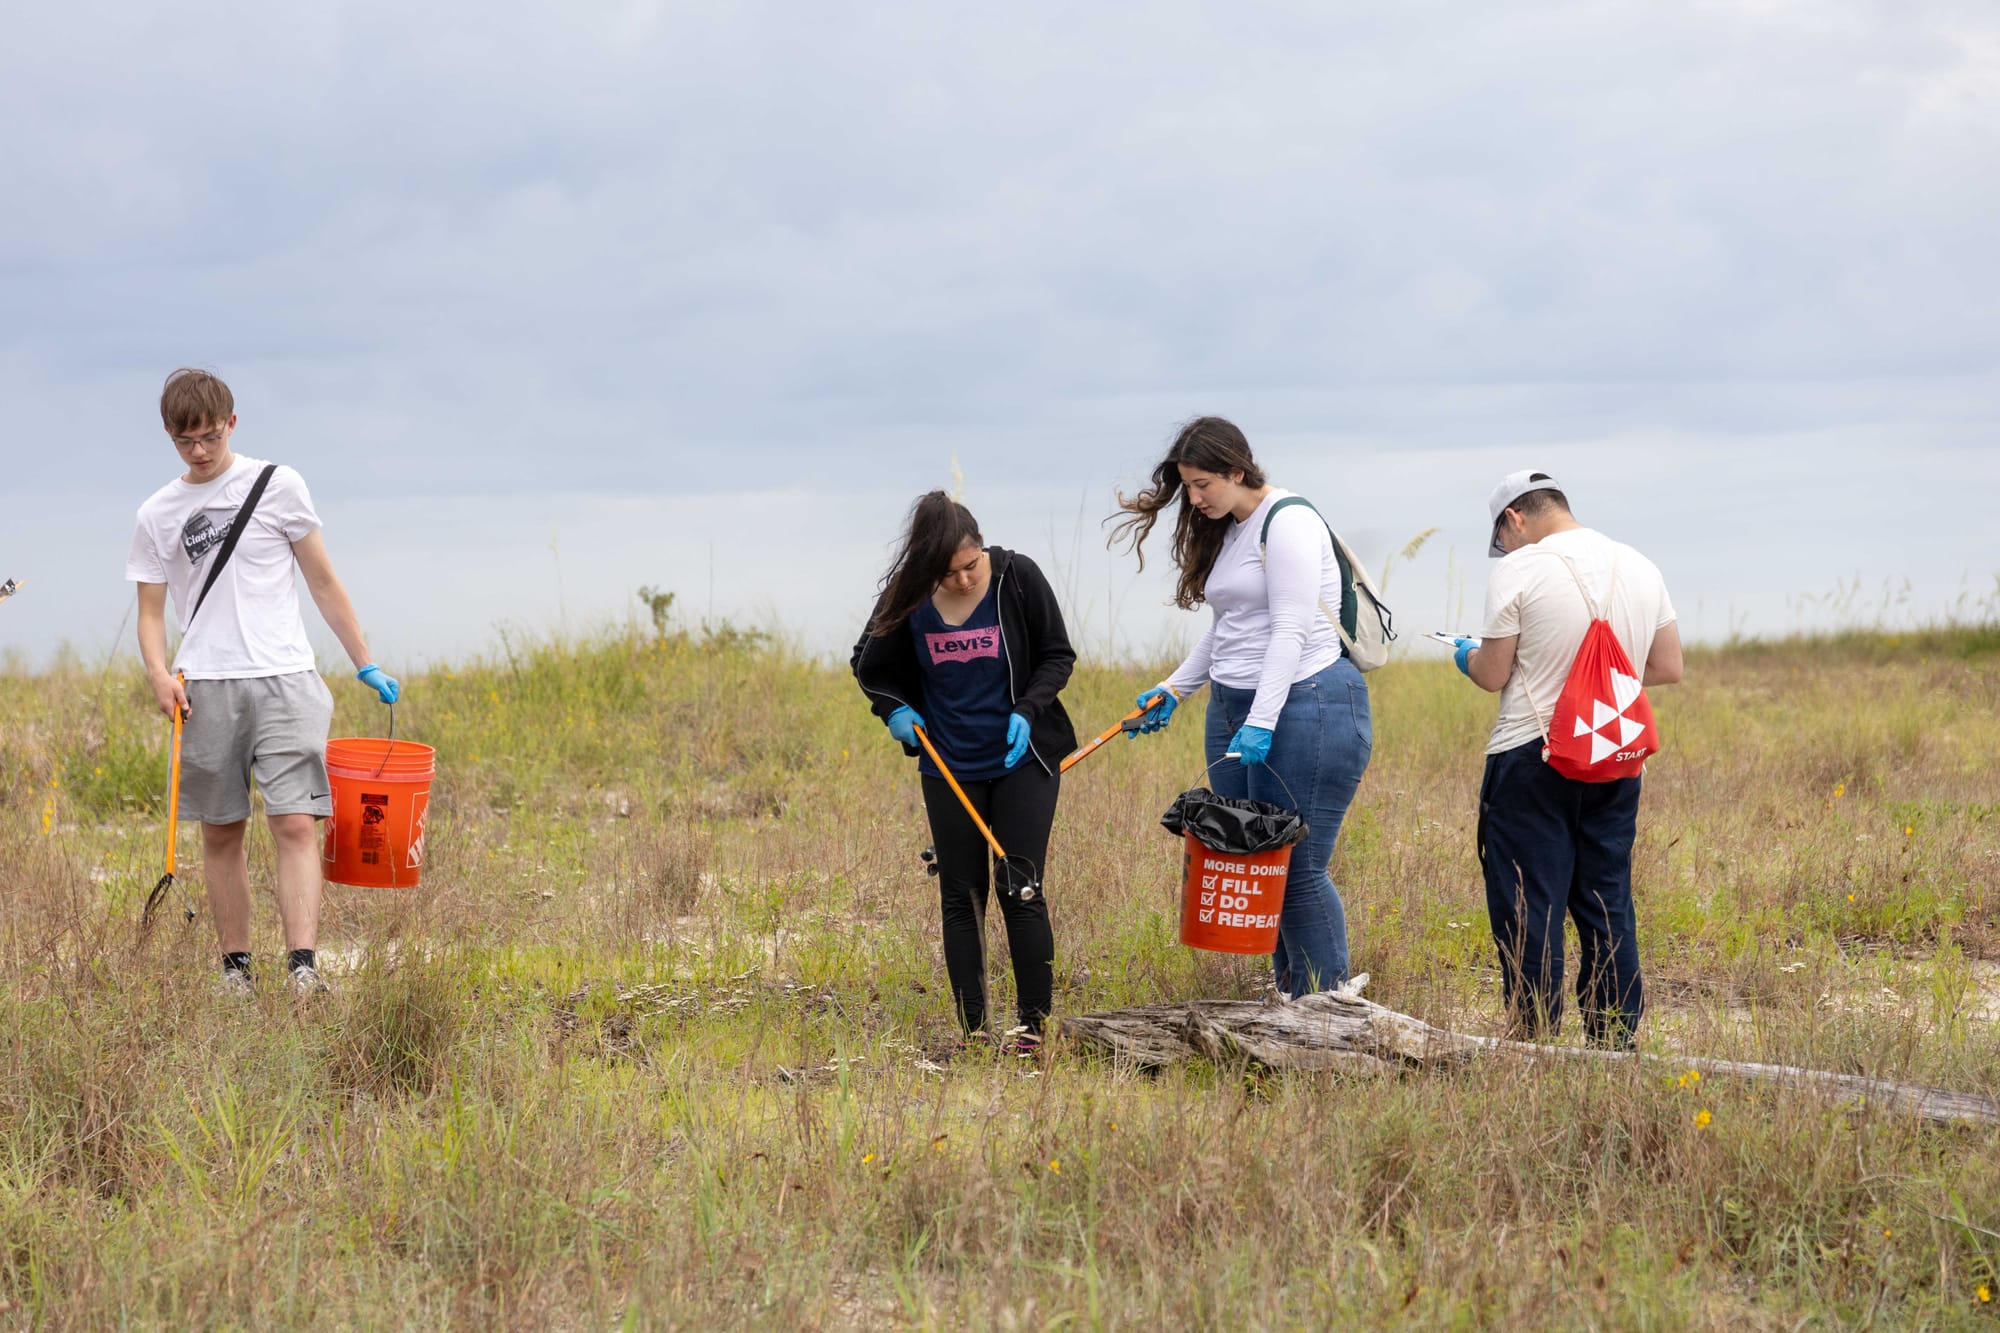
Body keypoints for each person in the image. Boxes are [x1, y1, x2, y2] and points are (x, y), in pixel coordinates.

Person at [126, 369, 400, 997]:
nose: (200, 451)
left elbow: (323, 580)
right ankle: (235, 972)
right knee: (222, 830)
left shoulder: (278, 485)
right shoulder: (157, 513)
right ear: (169, 435)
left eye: (210, 437)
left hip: (285, 677)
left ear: (232, 423)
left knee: (296, 822)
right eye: (185, 440)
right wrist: (158, 674)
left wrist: (363, 660)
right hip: (206, 686)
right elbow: (149, 610)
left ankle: (303, 966)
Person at [1111, 416, 1372, 997]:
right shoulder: (1233, 528)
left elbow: (1291, 629)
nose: (1195, 498)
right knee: (1251, 858)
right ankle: (1288, 996)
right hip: (1233, 705)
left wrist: (1261, 721)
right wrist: (1174, 690)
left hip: (1306, 704)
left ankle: (1329, 1008)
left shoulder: (1289, 522)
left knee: (1297, 865)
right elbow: (1227, 628)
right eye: (1188, 487)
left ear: (1237, 469)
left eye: (1204, 483)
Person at [1453, 470, 1683, 1048]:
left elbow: (1494, 674)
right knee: (1607, 894)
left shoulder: (1519, 568)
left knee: (1530, 900)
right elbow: (1666, 667)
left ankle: (1532, 1038)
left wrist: (1463, 656)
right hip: (1615, 750)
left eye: (1502, 537)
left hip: (1533, 750)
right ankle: (1614, 1038)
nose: (1503, 549)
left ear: (1515, 518)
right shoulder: (1638, 564)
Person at [851, 491, 1077, 1057]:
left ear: (983, 549)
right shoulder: (907, 595)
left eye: (970, 565)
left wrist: (1028, 709)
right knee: (961, 894)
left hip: (1021, 757)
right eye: (947, 573)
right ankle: (974, 1036)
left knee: (1020, 886)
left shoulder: (1016, 577)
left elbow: (1057, 655)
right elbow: (867, 665)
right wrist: (894, 710)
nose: (962, 580)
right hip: (948, 764)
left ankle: (1032, 1031)